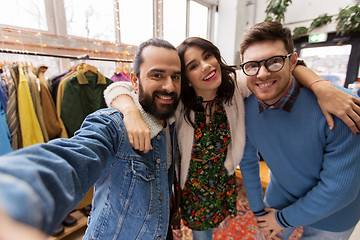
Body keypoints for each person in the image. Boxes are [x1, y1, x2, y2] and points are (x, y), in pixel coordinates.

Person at [103, 37, 360, 240]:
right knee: (202, 236)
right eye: (193, 66)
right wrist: (129, 110)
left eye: (208, 56)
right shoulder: (178, 101)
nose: (206, 66)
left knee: (215, 230)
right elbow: (118, 87)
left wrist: (320, 85)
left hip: (222, 183)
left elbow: (281, 71)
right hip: (194, 188)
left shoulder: (235, 87)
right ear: (186, 79)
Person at [0, 37, 181, 240]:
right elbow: (72, 158)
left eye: (176, 77)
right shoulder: (112, 126)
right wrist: (11, 194)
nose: (170, 87)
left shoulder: (173, 119)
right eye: (157, 75)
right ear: (134, 81)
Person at [239, 21, 360, 240]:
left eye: (274, 62)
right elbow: (247, 162)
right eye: (252, 65)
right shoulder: (246, 106)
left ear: (293, 61)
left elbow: (339, 190)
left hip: (333, 215)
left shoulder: (341, 107)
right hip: (280, 194)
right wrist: (259, 212)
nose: (262, 73)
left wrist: (282, 220)